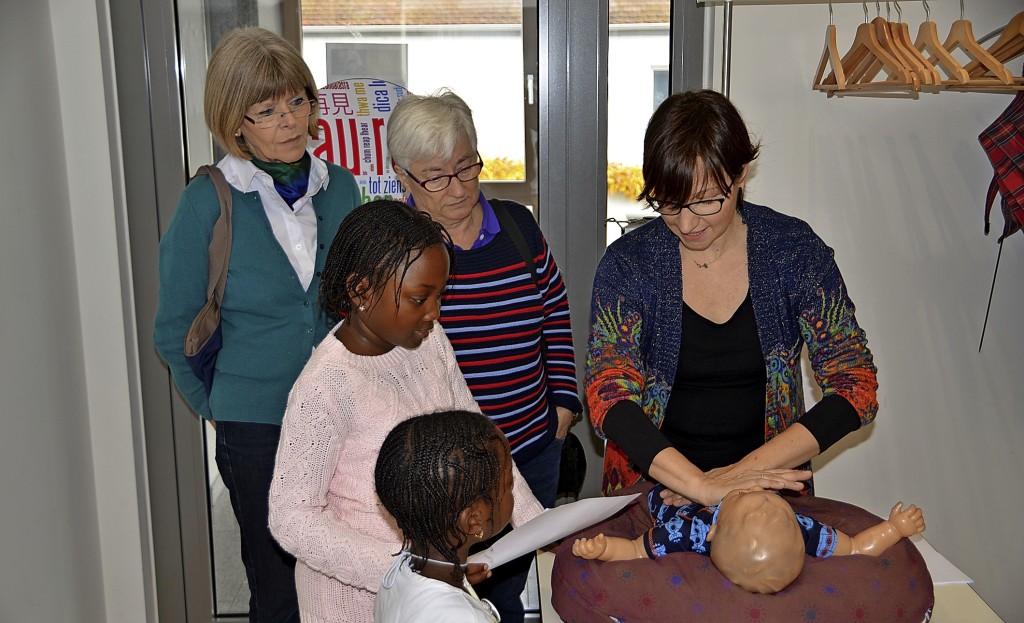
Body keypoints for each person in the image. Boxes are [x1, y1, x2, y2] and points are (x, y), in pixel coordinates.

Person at [153, 26, 361, 623]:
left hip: (340, 416)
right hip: (256, 429)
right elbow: (172, 328)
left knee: (346, 578)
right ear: (234, 122)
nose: (289, 120)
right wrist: (219, 405)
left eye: (297, 100)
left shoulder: (339, 188)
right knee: (278, 590)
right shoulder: (207, 201)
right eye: (266, 110)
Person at [586, 89, 878, 505]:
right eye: (669, 204)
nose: (687, 223)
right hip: (652, 494)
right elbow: (608, 393)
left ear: (741, 174)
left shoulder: (792, 251)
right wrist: (696, 484)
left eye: (706, 201)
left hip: (769, 499)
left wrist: (735, 477)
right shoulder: (630, 265)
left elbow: (855, 386)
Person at [267, 200, 545, 623]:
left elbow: (484, 448)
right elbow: (292, 519)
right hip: (354, 600)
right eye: (420, 298)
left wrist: (541, 528)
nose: (435, 312)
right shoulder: (326, 386)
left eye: (439, 295)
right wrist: (414, 569)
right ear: (361, 291)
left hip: (432, 585)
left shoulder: (430, 341)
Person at [387, 88, 583, 622]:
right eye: (436, 176)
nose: (457, 188)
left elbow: (555, 314)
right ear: (403, 176)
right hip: (446, 473)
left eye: (466, 166)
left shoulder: (517, 226)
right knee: (451, 598)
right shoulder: (397, 251)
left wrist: (562, 408)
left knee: (506, 594)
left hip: (531, 447)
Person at [572, 484, 925, 594]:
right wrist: (893, 529)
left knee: (659, 495)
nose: (755, 491)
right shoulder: (801, 527)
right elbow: (857, 546)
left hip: (672, 502)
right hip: (709, 479)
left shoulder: (689, 530)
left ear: (713, 531)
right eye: (773, 500)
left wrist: (603, 549)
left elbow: (635, 550)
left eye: (743, 502)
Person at [374, 410, 516, 622]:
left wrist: (462, 582)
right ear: (474, 521)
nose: (512, 491)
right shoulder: (465, 618)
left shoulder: (398, 576)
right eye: (509, 485)